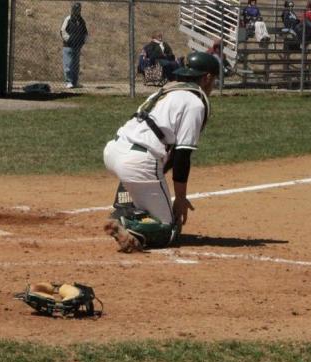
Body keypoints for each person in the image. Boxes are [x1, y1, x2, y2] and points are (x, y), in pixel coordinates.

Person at [102, 51, 219, 252]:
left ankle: (128, 210)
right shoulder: (194, 103)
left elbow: (168, 154)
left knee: (148, 193)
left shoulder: (165, 93)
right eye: (214, 79)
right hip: (138, 160)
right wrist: (180, 199)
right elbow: (182, 156)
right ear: (207, 77)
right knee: (168, 231)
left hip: (114, 150)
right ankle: (126, 221)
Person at [60, 2, 87, 89]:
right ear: (72, 9)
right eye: (76, 9)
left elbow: (85, 33)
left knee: (76, 65)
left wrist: (82, 41)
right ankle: (68, 81)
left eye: (79, 9)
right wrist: (70, 40)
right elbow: (62, 31)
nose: (77, 10)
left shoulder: (81, 20)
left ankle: (75, 82)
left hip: (77, 46)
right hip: (68, 46)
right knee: (68, 64)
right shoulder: (68, 19)